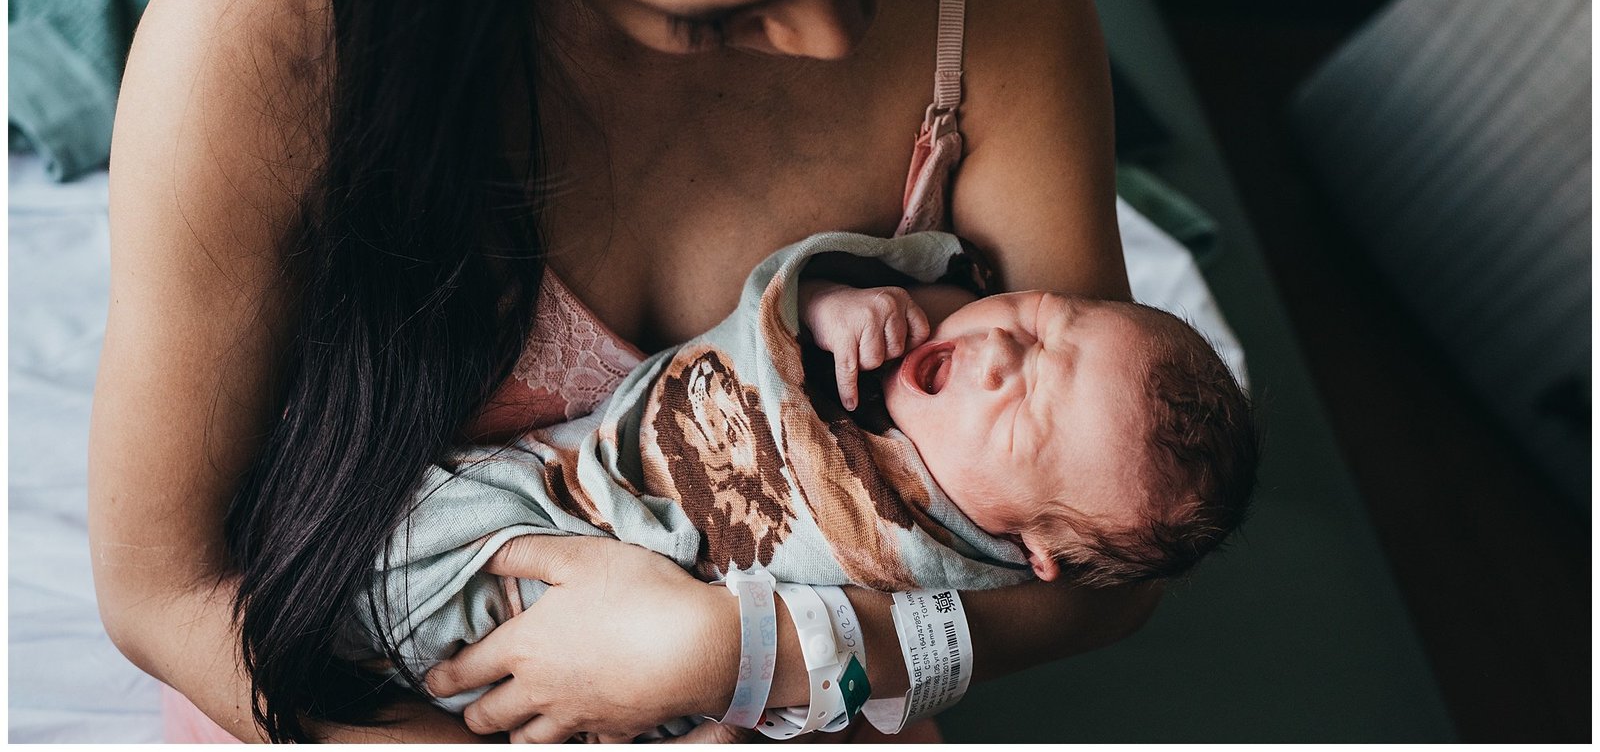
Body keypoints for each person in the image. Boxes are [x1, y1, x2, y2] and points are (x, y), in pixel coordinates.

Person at [88, 0, 1154, 744]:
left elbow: (1120, 556)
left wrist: (755, 656)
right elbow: (166, 593)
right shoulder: (257, 40)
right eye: (714, 15)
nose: (835, 40)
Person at [346, 231, 1259, 737]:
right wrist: (826, 302)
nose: (1002, 351)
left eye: (1025, 411)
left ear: (1037, 549)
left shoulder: (940, 577)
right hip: (553, 503)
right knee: (400, 543)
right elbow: (766, 321)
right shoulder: (887, 329)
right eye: (1039, 315)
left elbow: (850, 675)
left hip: (633, 684)